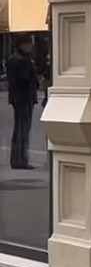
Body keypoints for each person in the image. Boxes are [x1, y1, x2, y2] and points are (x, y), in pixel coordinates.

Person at [6, 35, 38, 170]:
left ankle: (16, 158)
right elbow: (26, 80)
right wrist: (34, 78)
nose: (30, 46)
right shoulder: (24, 61)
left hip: (16, 97)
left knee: (18, 128)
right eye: (28, 44)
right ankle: (21, 159)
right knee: (24, 129)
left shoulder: (12, 59)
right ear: (22, 45)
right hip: (25, 97)